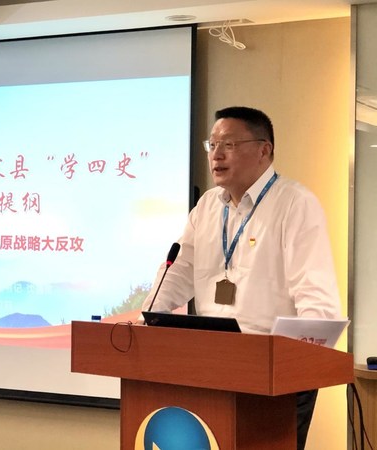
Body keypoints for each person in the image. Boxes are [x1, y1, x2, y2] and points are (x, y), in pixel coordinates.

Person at [140, 106, 342, 450]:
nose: (216, 155)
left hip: (275, 377)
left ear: (264, 150)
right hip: (209, 368)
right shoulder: (207, 206)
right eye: (212, 145)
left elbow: (316, 300)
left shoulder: (295, 204)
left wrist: (298, 365)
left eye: (229, 145)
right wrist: (147, 323)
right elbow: (178, 273)